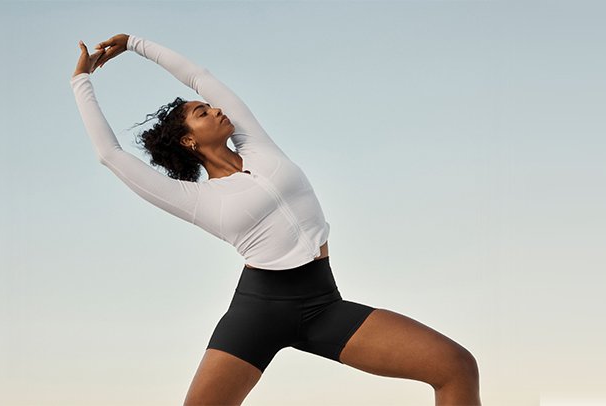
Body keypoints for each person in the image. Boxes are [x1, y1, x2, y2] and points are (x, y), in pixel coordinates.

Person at [70, 33, 481, 405]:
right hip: (260, 310)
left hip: (323, 303)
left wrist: (137, 44)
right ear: (188, 140)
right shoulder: (193, 198)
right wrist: (82, 81)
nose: (215, 110)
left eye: (209, 106)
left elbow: (199, 76)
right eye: (201, 113)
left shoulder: (257, 146)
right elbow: (111, 154)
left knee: (455, 366)